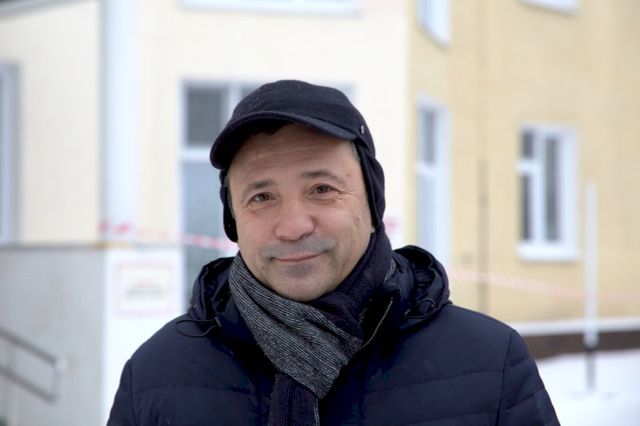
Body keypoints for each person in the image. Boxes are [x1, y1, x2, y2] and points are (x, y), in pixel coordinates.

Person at [108, 80, 559, 425]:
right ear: (234, 221)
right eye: (261, 197)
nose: (293, 226)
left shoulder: (490, 363)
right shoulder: (155, 378)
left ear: (372, 203)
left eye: (322, 189)